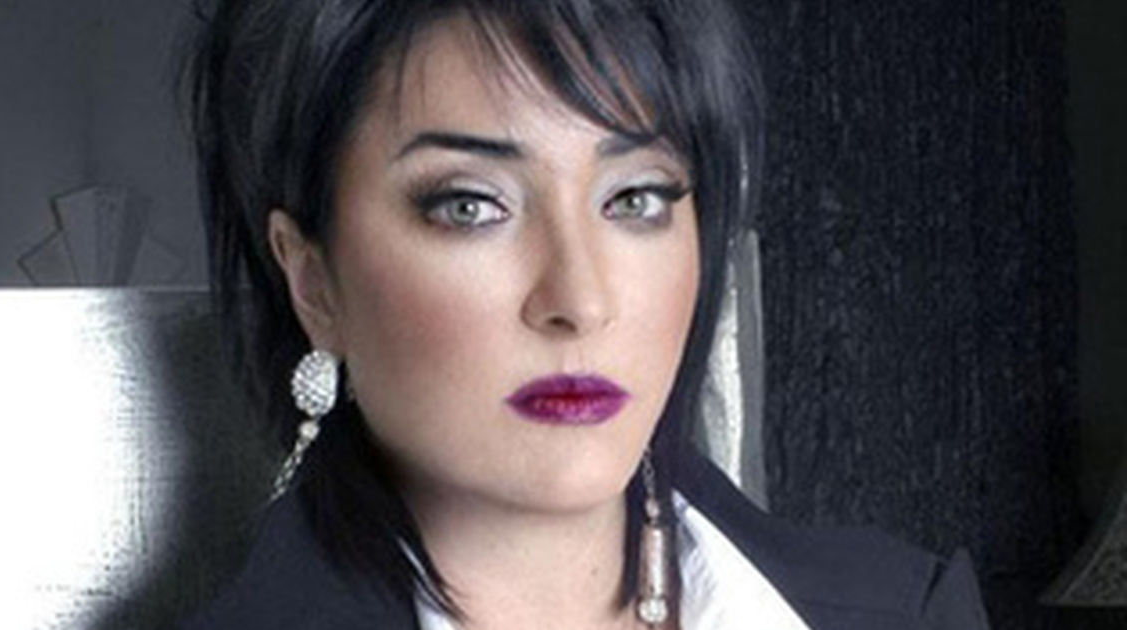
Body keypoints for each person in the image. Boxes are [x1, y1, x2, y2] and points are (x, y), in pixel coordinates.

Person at [180, 0, 991, 628]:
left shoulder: (906, 611)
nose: (579, 299)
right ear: (314, 283)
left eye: (634, 197)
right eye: (471, 206)